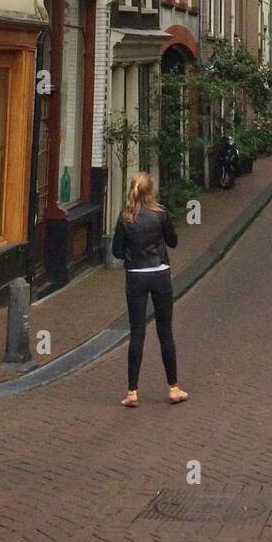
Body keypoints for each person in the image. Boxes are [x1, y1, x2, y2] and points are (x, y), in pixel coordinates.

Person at [112, 172, 187, 408]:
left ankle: (132, 392)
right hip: (160, 273)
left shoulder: (125, 218)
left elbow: (115, 251)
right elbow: (173, 241)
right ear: (151, 191)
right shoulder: (160, 214)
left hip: (135, 276)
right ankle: (173, 388)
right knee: (165, 332)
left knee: (137, 332)